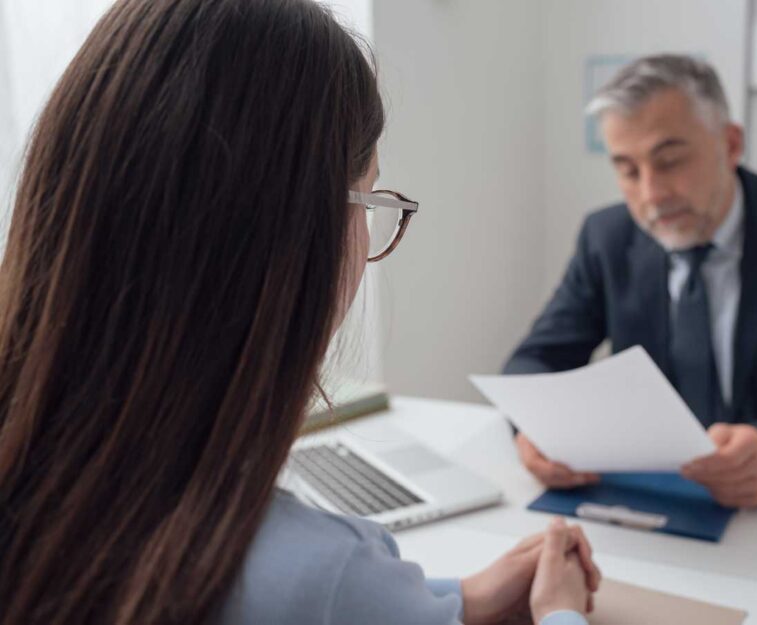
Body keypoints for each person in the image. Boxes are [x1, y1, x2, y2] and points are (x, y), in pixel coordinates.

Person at [0, 1, 601, 624]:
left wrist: (450, 602)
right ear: (299, 232)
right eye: (368, 199)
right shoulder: (319, 575)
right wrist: (560, 610)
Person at [505, 54, 757, 510]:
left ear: (731, 144)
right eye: (627, 170)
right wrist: (534, 430)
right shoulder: (607, 237)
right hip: (647, 506)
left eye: (671, 161)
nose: (651, 194)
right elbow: (534, 362)